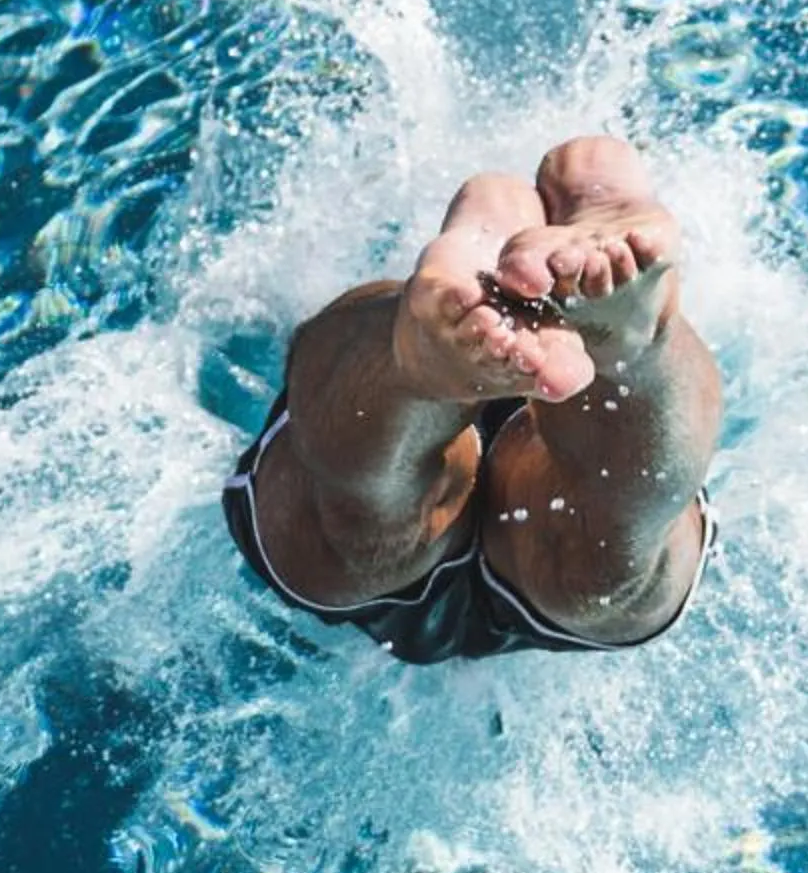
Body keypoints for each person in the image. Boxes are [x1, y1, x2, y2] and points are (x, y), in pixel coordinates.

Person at [224, 134, 722, 662]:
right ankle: (633, 345)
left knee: (353, 534)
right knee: (606, 572)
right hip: (545, 382)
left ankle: (420, 345)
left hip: (456, 352)